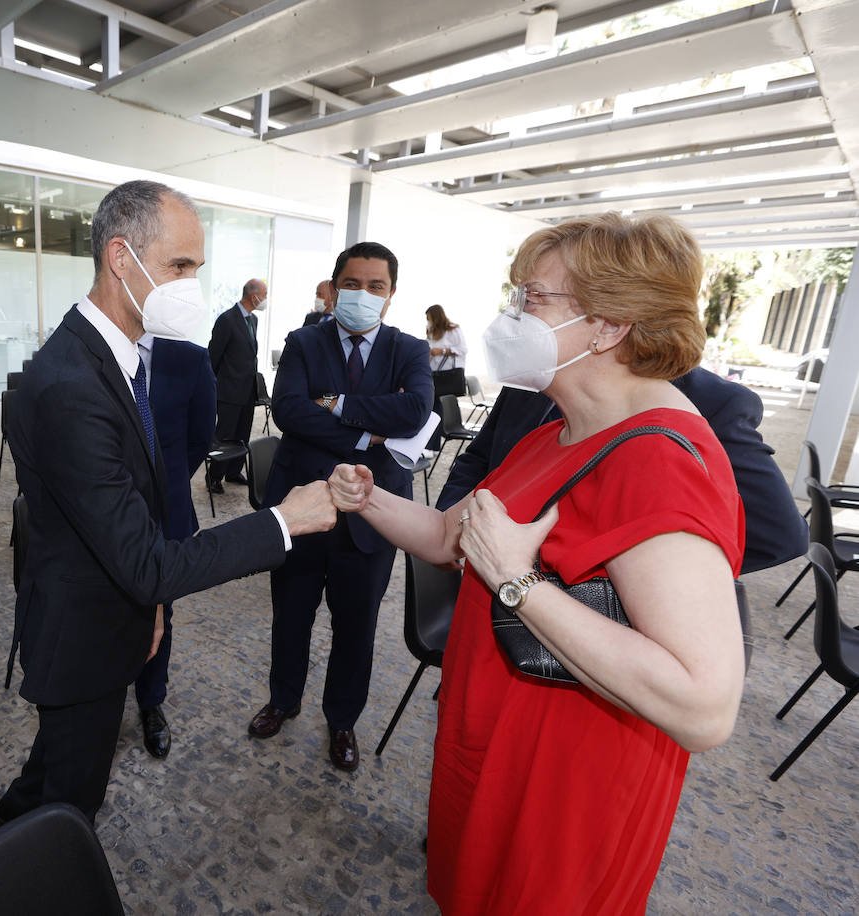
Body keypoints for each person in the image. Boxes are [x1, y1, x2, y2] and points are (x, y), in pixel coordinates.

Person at [328, 212, 745, 913]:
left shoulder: (659, 461)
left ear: (609, 325)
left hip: (565, 794)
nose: (510, 315)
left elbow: (704, 707)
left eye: (532, 299)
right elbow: (445, 538)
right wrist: (367, 501)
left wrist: (521, 585)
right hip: (497, 752)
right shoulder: (558, 430)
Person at [0, 179, 336, 826]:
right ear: (119, 259)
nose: (191, 287)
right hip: (81, 642)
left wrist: (148, 605)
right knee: (64, 813)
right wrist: (282, 521)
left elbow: (143, 499)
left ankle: (2, 848)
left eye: (196, 270)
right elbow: (145, 559)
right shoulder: (70, 383)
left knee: (43, 787)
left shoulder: (115, 358)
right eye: (178, 266)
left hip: (114, 613)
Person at [247, 241, 433, 771]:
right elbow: (289, 412)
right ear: (333, 289)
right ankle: (283, 698)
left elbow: (416, 410)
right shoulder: (304, 342)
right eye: (352, 284)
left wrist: (335, 404)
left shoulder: (409, 350)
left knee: (357, 626)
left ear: (391, 296)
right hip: (302, 504)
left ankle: (342, 720)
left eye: (376, 286)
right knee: (291, 614)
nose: (363, 294)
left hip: (373, 512)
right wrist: (369, 434)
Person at [436, 370, 807, 574]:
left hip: (597, 640)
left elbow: (777, 534)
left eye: (536, 298)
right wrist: (453, 528)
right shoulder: (533, 380)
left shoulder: (711, 402)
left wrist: (629, 576)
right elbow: (480, 458)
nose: (518, 314)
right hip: (485, 589)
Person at [133, 332, 217, 759]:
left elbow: (200, 438)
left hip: (166, 508)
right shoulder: (88, 346)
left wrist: (163, 483)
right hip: (101, 507)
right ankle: (100, 698)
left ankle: (151, 701)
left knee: (160, 608)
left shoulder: (189, 358)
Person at [206, 278, 267, 492]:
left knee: (243, 433)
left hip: (248, 389)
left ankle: (233, 472)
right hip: (229, 390)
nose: (265, 300)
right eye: (264, 295)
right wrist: (212, 387)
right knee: (225, 435)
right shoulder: (227, 319)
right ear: (254, 296)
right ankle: (214, 477)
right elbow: (213, 355)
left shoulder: (253, 320)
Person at [424, 303, 466, 451]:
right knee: (434, 409)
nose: (428, 321)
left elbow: (462, 349)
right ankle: (433, 445)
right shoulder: (430, 331)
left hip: (448, 377)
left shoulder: (453, 329)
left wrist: (441, 351)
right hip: (434, 375)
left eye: (429, 318)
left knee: (436, 410)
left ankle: (433, 446)